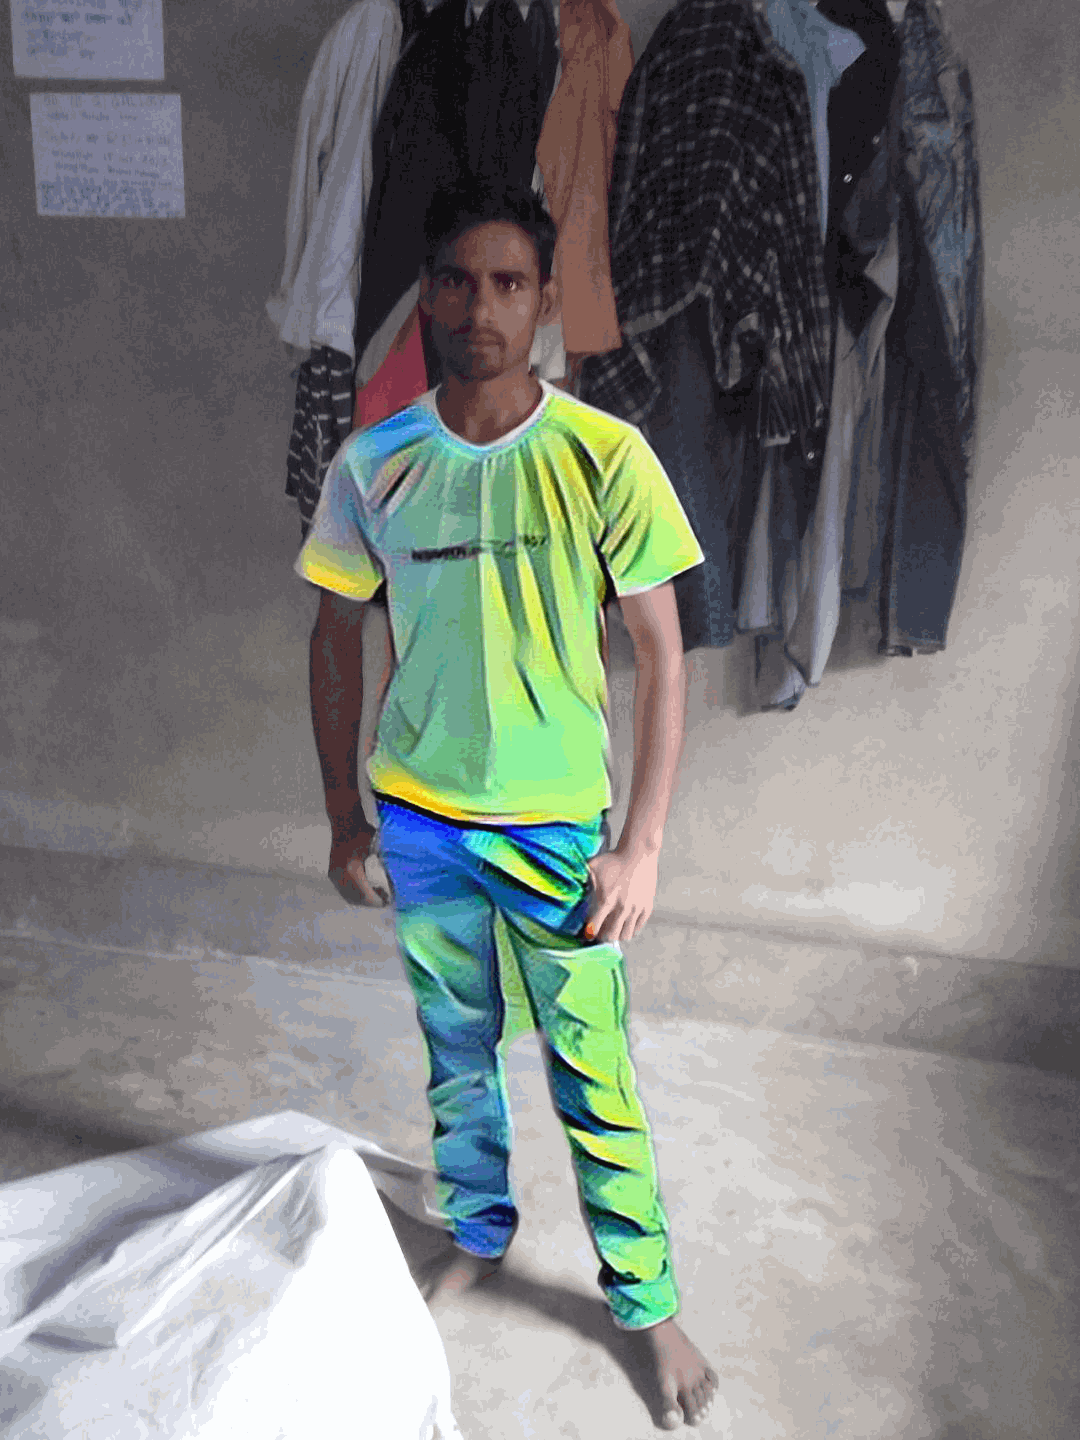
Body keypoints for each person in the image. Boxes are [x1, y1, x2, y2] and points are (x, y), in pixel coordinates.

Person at [297, 178, 718, 1430]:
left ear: (543, 299)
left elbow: (663, 654)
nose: (480, 307)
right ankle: (477, 1230)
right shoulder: (377, 461)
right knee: (458, 1050)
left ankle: (645, 1302)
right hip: (422, 822)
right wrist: (345, 816)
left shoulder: (604, 456)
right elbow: (333, 638)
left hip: (556, 831)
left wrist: (641, 846)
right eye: (456, 281)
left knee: (594, 1071)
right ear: (427, 296)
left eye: (509, 283)